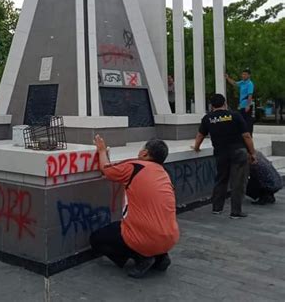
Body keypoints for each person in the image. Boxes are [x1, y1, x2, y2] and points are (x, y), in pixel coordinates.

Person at [90, 136, 179, 279]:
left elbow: (106, 170)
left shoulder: (135, 166)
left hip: (145, 238)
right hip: (170, 238)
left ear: (144, 153)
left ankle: (141, 258)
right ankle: (161, 256)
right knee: (130, 228)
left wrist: (101, 150)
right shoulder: (164, 174)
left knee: (96, 239)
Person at [192, 93, 257, 219]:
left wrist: (196, 147)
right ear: (225, 104)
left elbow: (200, 135)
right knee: (237, 182)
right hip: (238, 152)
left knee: (221, 180)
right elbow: (246, 136)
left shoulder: (208, 118)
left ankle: (217, 208)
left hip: (221, 153)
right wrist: (252, 152)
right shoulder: (235, 115)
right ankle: (235, 212)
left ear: (211, 106)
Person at [225, 68, 254, 135]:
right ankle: (243, 134)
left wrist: (248, 105)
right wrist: (227, 78)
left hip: (246, 105)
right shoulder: (242, 82)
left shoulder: (250, 84)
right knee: (241, 120)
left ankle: (249, 134)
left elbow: (250, 95)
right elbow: (234, 83)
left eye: (245, 74)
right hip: (241, 105)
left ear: (249, 75)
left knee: (248, 121)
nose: (243, 76)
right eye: (243, 74)